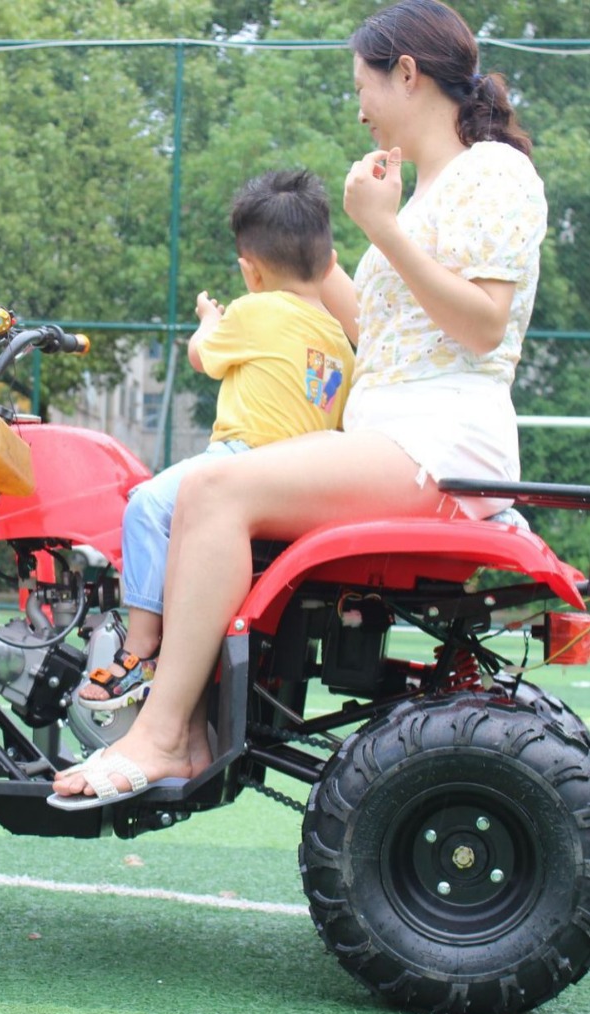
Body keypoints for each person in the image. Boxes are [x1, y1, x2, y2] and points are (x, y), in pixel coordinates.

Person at [50, 0, 548, 810]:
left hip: (438, 440)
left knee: (213, 486)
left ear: (408, 75)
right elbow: (384, 338)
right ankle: (194, 728)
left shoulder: (491, 172)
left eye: (364, 85)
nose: (358, 106)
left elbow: (481, 325)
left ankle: (163, 729)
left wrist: (378, 230)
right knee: (194, 493)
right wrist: (314, 257)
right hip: (390, 427)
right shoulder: (419, 193)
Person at [76, 168, 355, 714]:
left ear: (249, 272)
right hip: (306, 478)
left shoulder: (255, 311)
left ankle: (140, 649)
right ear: (329, 262)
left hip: (242, 459)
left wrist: (209, 320)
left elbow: (202, 357)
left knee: (146, 506)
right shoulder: (343, 344)